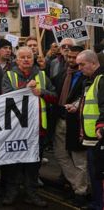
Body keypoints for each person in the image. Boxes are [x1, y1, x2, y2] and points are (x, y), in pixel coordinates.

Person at [1, 46, 56, 207]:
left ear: (33, 59)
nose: (26, 60)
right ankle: (12, 192)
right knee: (14, 162)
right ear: (16, 60)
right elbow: (5, 97)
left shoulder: (42, 75)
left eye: (29, 57)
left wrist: (42, 92)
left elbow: (54, 96)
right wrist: (25, 89)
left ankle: (31, 193)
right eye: (22, 57)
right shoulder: (9, 75)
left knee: (34, 164)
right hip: (16, 129)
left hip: (37, 129)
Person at [52, 45, 89, 207]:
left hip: (76, 123)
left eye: (75, 57)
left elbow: (84, 97)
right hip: (60, 120)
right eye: (69, 57)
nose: (71, 60)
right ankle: (78, 185)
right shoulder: (62, 74)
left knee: (79, 159)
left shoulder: (86, 77)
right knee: (61, 155)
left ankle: (80, 191)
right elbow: (55, 93)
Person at [76, 50, 104, 210]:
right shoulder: (90, 81)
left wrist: (101, 125)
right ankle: (97, 203)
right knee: (94, 174)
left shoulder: (100, 80)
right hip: (90, 137)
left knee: (99, 175)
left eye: (82, 64)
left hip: (98, 137)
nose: (79, 68)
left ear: (93, 63)